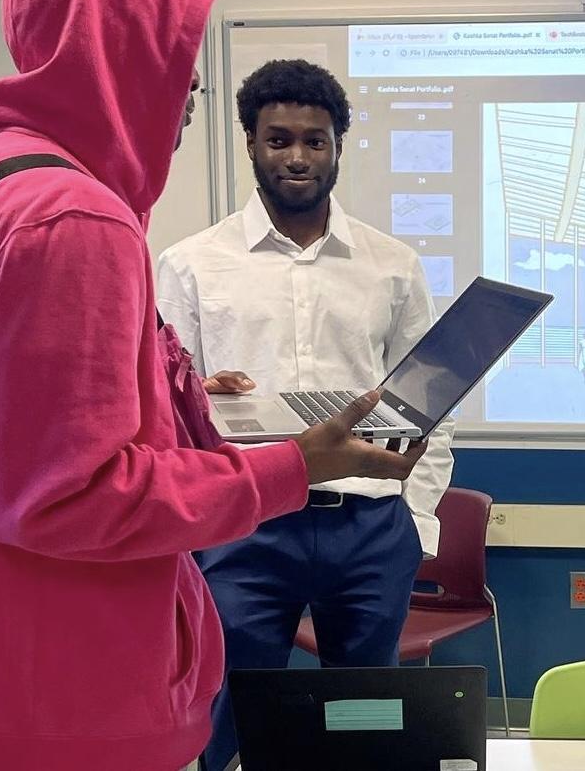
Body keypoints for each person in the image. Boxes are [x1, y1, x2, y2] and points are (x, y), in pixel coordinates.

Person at [0, 0, 426, 771]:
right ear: (112, 56)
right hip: (71, 697)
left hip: (9, 672)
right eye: (174, 70)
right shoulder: (75, 218)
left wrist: (166, 381)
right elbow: (66, 494)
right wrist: (296, 465)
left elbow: (30, 423)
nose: (183, 106)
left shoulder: (2, 181)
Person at [158, 59, 456, 771]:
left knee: (368, 720)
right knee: (232, 711)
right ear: (251, 145)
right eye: (278, 139)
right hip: (245, 527)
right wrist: (202, 395)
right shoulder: (191, 263)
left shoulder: (391, 264)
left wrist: (414, 520)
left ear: (337, 147)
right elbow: (164, 406)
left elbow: (432, 406)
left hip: (369, 527)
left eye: (314, 141)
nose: (296, 157)